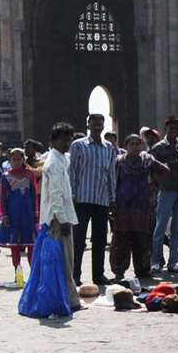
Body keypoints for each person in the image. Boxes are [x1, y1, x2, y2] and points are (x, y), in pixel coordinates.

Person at [70, 113, 117, 286]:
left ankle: (98, 275)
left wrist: (113, 198)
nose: (97, 126)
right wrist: (72, 195)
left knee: (99, 240)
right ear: (88, 125)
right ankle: (75, 275)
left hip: (102, 200)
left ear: (104, 126)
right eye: (94, 123)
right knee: (79, 240)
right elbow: (72, 172)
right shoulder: (78, 146)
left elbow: (111, 174)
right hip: (82, 199)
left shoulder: (109, 148)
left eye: (100, 124)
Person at [39, 122, 81, 308]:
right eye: (64, 141)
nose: (67, 144)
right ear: (54, 141)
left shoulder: (61, 159)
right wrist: (63, 220)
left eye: (69, 141)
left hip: (60, 216)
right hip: (58, 220)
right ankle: (70, 301)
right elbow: (55, 195)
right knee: (64, 263)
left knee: (64, 262)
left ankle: (65, 298)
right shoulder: (54, 163)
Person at [110, 133, 156, 283]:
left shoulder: (147, 161)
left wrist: (153, 189)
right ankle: (119, 271)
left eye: (138, 144)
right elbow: (112, 182)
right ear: (126, 147)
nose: (135, 147)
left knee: (142, 239)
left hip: (142, 207)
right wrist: (112, 202)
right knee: (121, 240)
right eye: (132, 144)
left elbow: (164, 171)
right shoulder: (119, 162)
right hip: (123, 207)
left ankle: (143, 269)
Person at [150, 116, 178, 275]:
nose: (174, 132)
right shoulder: (159, 148)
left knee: (177, 229)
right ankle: (156, 261)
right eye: (171, 129)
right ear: (166, 129)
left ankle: (173, 261)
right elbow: (151, 167)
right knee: (160, 228)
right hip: (165, 191)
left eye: (176, 129)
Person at [0, 148, 39, 276]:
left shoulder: (29, 174)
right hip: (13, 213)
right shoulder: (6, 176)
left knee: (31, 244)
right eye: (13, 159)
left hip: (28, 213)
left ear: (23, 160)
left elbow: (34, 194)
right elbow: (3, 197)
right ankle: (18, 273)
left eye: (19, 159)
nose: (16, 162)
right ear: (10, 160)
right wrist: (4, 215)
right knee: (14, 245)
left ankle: (33, 274)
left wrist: (36, 211)